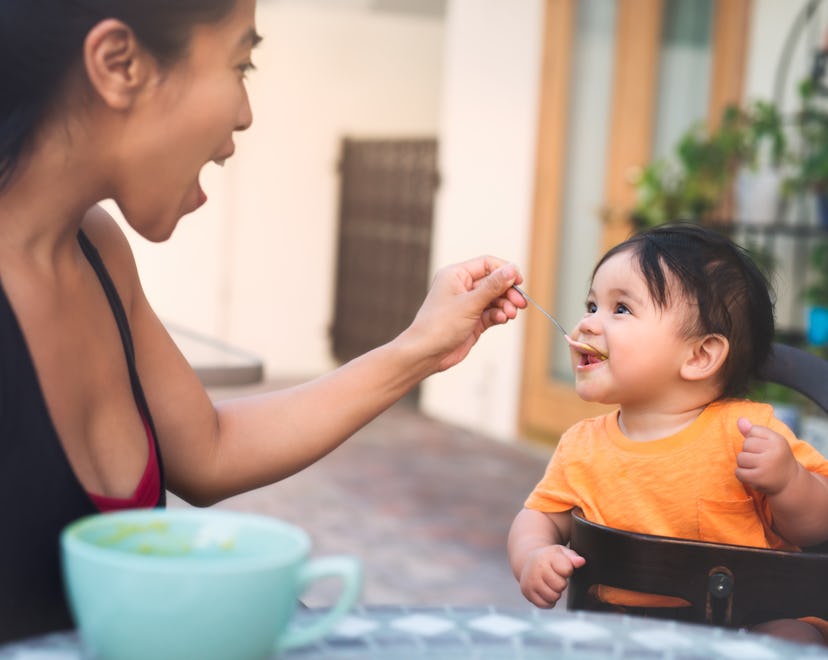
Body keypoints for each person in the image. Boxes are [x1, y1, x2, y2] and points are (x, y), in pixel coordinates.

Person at [0, 0, 527, 642]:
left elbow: (209, 449)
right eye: (240, 64)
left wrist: (422, 347)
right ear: (119, 65)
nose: (245, 113)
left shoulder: (98, 249)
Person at [507, 223, 828, 645]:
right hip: (623, 632)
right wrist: (533, 554)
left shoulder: (747, 432)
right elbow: (539, 516)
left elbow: (818, 528)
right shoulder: (581, 446)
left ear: (699, 356)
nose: (587, 324)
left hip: (747, 625)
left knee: (793, 637)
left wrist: (789, 482)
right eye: (591, 305)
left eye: (621, 309)